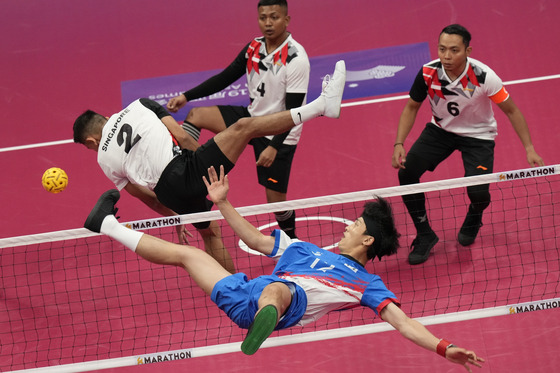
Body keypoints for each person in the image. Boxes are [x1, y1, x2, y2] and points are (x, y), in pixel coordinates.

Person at [83, 165, 485, 371]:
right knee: (189, 256)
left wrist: (443, 348)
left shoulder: (367, 283)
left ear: (366, 242)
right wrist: (223, 203)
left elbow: (403, 322)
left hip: (281, 305)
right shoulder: (302, 247)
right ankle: (107, 225)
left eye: (356, 226)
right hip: (247, 295)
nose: (348, 227)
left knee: (283, 291)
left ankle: (265, 321)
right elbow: (257, 241)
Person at [73, 60, 345, 273]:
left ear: (91, 140)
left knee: (210, 233)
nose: (92, 149)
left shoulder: (103, 160)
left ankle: (235, 290)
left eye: (89, 147)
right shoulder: (139, 105)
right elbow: (181, 136)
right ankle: (321, 107)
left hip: (169, 193)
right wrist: (203, 159)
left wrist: (177, 216)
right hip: (186, 168)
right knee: (243, 127)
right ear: (106, 117)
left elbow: (146, 197)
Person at [391, 24, 545, 265]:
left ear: (467, 50)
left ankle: (475, 213)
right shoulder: (428, 73)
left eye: (454, 50)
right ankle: (424, 234)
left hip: (478, 136)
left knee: (479, 192)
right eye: (442, 49)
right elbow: (411, 107)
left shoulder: (483, 76)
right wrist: (399, 143)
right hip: (441, 131)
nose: (446, 56)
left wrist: (529, 148)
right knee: (407, 173)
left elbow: (512, 111)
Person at [166, 0, 310, 239]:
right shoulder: (253, 47)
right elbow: (225, 77)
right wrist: (187, 96)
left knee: (276, 202)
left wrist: (274, 147)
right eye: (263, 17)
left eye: (274, 17)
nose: (268, 23)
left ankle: (293, 242)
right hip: (251, 119)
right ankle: (190, 170)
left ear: (286, 20)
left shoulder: (296, 58)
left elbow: (295, 112)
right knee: (196, 115)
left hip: (279, 131)